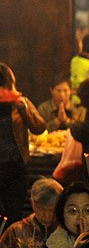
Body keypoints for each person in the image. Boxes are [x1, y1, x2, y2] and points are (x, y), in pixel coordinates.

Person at [0, 62, 45, 223]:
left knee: (14, 215)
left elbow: (39, 127)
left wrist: (23, 108)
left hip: (16, 167)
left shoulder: (20, 102)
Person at [0, 177, 62, 248]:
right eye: (41, 209)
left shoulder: (64, 232)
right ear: (33, 204)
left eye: (52, 210)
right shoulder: (16, 231)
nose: (46, 215)